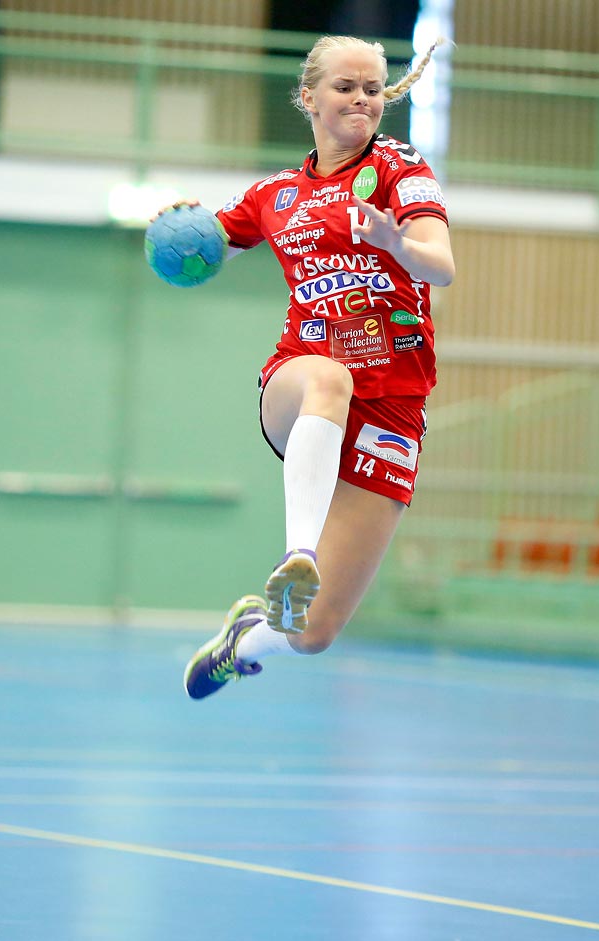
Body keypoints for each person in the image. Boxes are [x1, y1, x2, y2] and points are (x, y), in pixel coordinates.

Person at [180, 33, 455, 700]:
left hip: (391, 410)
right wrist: (176, 232)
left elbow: (441, 265)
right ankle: (296, 552)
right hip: (301, 383)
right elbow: (208, 243)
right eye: (344, 87)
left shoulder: (399, 169)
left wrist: (394, 239)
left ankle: (247, 637)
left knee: (314, 633)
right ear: (308, 97)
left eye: (371, 89)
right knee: (331, 376)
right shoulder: (276, 196)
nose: (360, 99)